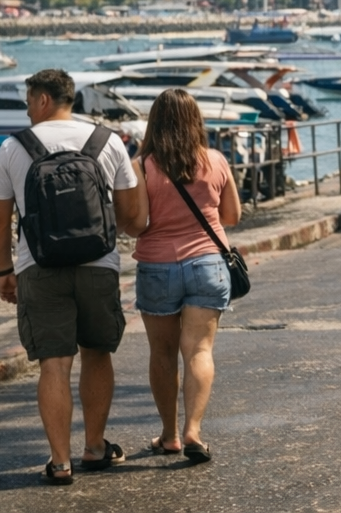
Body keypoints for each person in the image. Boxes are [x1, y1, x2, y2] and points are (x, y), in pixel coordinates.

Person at [0, 69, 147, 485]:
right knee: (97, 353)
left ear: (42, 100)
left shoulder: (13, 147)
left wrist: (5, 270)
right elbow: (130, 214)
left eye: (28, 102)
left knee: (54, 364)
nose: (27, 110)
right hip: (98, 265)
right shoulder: (107, 141)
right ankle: (94, 447)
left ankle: (60, 462)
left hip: (39, 268)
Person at [132, 88, 242, 465]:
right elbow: (232, 216)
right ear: (196, 120)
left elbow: (138, 223)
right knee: (199, 350)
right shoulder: (216, 160)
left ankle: (170, 435)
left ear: (154, 122)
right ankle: (194, 429)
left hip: (157, 266)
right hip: (208, 264)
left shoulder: (141, 166)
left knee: (162, 353)